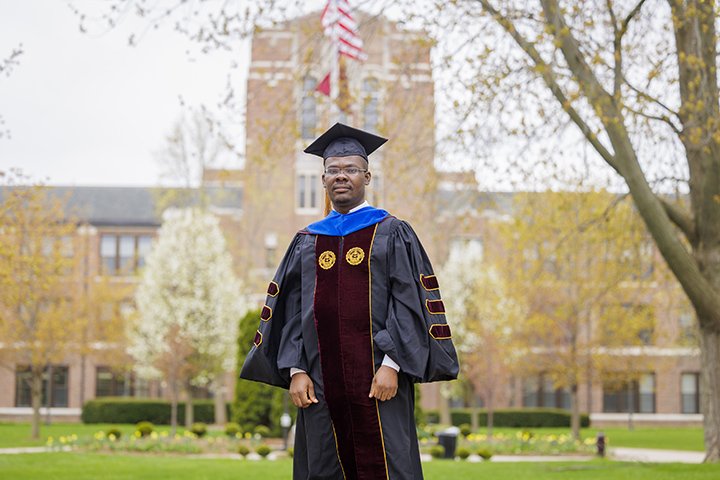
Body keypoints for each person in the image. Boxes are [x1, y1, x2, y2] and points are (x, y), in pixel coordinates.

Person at [240, 123, 459, 480]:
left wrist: (393, 364)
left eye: (351, 170)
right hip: (319, 384)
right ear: (323, 179)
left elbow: (408, 303)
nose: (341, 177)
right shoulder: (307, 241)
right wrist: (296, 370)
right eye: (333, 171)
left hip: (378, 380)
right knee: (324, 467)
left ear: (367, 177)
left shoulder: (390, 232)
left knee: (388, 466)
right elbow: (293, 312)